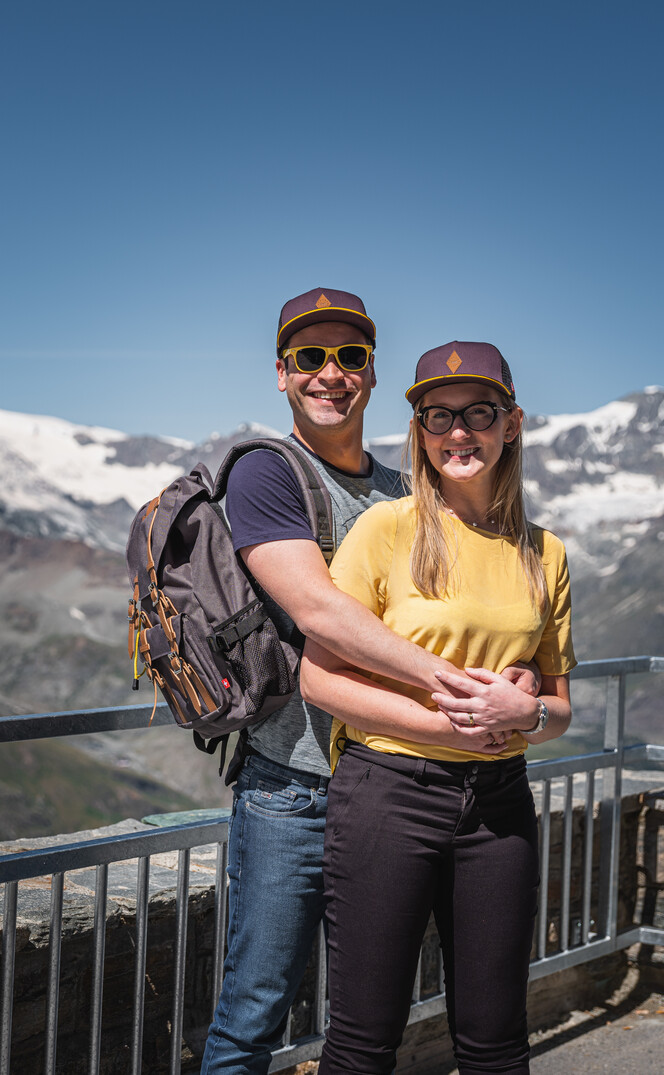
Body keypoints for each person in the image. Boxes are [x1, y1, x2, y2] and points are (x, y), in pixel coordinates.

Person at [201, 299, 540, 1075]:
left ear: (373, 372)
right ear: (283, 373)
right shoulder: (266, 472)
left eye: (350, 357)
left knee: (367, 1015)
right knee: (258, 1005)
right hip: (297, 784)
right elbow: (318, 609)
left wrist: (513, 684)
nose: (332, 375)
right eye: (311, 358)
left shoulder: (402, 490)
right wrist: (455, 691)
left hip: (395, 782)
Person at [301, 340, 577, 1075]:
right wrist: (452, 722)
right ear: (419, 431)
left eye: (478, 413)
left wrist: (523, 719)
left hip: (500, 804)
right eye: (437, 416)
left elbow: (560, 706)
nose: (459, 432)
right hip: (389, 794)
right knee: (364, 1042)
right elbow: (318, 681)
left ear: (511, 423)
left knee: (496, 1042)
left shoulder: (543, 553)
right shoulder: (384, 530)